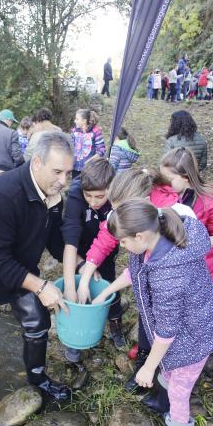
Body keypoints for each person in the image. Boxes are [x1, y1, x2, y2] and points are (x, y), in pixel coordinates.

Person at [91, 199, 213, 426]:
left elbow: (167, 332)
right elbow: (134, 273)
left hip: (196, 333)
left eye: (122, 241)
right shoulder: (151, 241)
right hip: (183, 326)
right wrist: (107, 292)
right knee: (170, 368)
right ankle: (161, 400)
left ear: (140, 235)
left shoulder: (170, 274)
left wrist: (148, 367)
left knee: (180, 386)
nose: (121, 246)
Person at [0, 131, 74, 406]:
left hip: (19, 268)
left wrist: (79, 263)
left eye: (68, 173)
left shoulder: (53, 194)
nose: (64, 181)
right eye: (57, 172)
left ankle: (38, 380)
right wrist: (42, 286)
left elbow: (55, 240)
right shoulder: (1, 195)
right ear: (36, 163)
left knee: (38, 323)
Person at [75, 168, 195, 392]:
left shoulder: (174, 216)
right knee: (147, 320)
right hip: (147, 280)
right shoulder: (129, 214)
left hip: (173, 288)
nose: (116, 214)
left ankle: (162, 371)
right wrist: (86, 279)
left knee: (169, 329)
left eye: (121, 210)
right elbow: (106, 240)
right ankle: (144, 359)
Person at [61, 157, 126, 368]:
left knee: (110, 288)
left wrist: (97, 260)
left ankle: (115, 323)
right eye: (88, 195)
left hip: (106, 253)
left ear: (111, 188)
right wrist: (74, 278)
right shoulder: (75, 195)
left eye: (99, 196)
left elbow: (111, 236)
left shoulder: (117, 197)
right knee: (78, 291)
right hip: (80, 251)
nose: (93, 202)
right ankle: (75, 339)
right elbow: (69, 238)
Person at [159, 148, 213, 284]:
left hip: (200, 266)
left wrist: (193, 248)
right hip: (170, 265)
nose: (164, 184)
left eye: (169, 179)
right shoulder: (164, 195)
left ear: (186, 177)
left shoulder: (210, 200)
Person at [70, 109, 106, 177]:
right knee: (75, 187)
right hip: (75, 168)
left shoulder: (96, 131)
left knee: (87, 187)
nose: (75, 121)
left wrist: (90, 161)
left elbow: (102, 150)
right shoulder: (74, 131)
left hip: (89, 169)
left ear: (84, 121)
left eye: (77, 119)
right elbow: (69, 146)